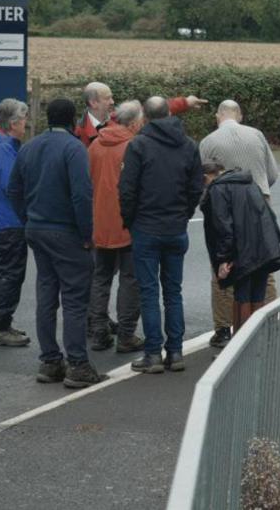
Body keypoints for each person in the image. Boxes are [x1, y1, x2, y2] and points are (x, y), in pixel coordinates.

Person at [6, 98, 104, 389]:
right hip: (66, 231)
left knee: (46, 293)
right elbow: (81, 195)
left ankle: (50, 361)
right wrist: (87, 235)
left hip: (37, 228)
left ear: (47, 118)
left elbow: (14, 189)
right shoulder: (74, 148)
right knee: (74, 298)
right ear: (73, 121)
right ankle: (77, 364)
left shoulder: (30, 147)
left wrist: (27, 218)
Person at [119, 96, 203, 374]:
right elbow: (195, 188)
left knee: (148, 292)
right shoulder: (189, 145)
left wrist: (129, 221)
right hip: (175, 227)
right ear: (169, 113)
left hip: (146, 226)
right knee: (173, 292)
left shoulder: (139, 145)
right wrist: (183, 215)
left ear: (144, 117)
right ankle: (176, 351)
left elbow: (127, 189)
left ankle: (153, 353)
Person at [198, 99, 280, 347]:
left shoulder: (208, 142)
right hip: (258, 202)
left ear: (218, 116)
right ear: (240, 115)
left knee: (223, 265)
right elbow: (273, 174)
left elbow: (202, 177)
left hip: (222, 204)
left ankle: (223, 328)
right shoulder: (257, 135)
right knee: (262, 263)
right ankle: (268, 318)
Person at [87, 99, 146, 354]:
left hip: (99, 221)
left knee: (100, 277)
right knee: (130, 279)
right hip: (127, 222)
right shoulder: (134, 147)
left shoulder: (95, 145)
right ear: (134, 123)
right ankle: (126, 334)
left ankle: (98, 331)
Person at [199, 159, 280, 331]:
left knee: (242, 297)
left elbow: (223, 227)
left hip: (242, 252)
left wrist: (223, 259)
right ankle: (258, 344)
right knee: (258, 295)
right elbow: (269, 215)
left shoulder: (217, 189)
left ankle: (241, 348)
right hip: (266, 247)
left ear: (207, 177)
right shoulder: (249, 182)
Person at [0, 98, 31, 347]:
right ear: (13, 123)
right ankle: (0, 325)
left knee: (1, 272)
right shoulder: (4, 148)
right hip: (8, 219)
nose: (26, 124)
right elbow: (12, 184)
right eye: (23, 119)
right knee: (10, 273)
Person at [75, 81, 209, 145]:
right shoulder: (78, 133)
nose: (112, 101)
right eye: (107, 98)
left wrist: (186, 102)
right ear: (93, 103)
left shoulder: (119, 118)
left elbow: (153, 110)